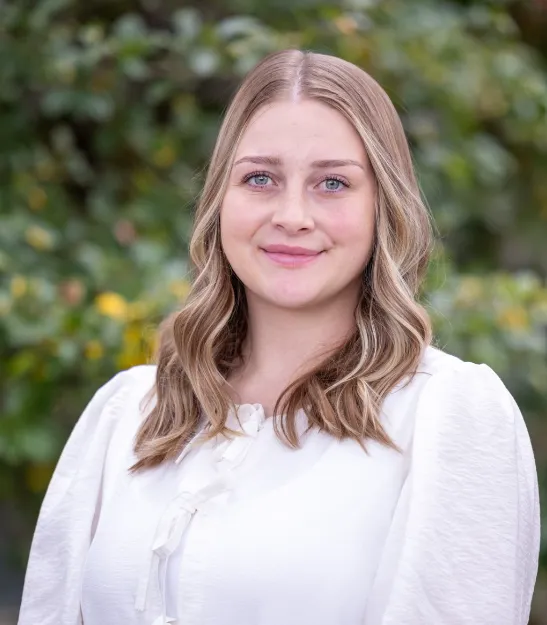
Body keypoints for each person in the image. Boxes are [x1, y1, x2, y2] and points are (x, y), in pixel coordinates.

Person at [18, 49, 540, 625]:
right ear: (222, 199)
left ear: (382, 208)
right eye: (260, 178)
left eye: (333, 183)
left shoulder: (449, 415)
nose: (292, 214)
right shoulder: (127, 414)